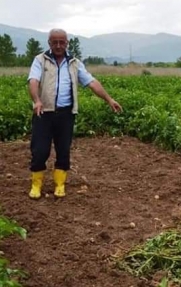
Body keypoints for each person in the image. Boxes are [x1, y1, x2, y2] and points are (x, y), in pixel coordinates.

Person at [26, 28, 122, 199]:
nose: (58, 45)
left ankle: (60, 185)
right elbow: (33, 81)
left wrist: (109, 99)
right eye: (54, 42)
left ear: (67, 43)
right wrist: (37, 100)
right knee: (40, 150)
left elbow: (91, 82)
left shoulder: (75, 63)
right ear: (49, 43)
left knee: (63, 150)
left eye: (61, 42)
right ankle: (36, 185)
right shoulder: (40, 60)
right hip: (43, 113)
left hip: (66, 115)